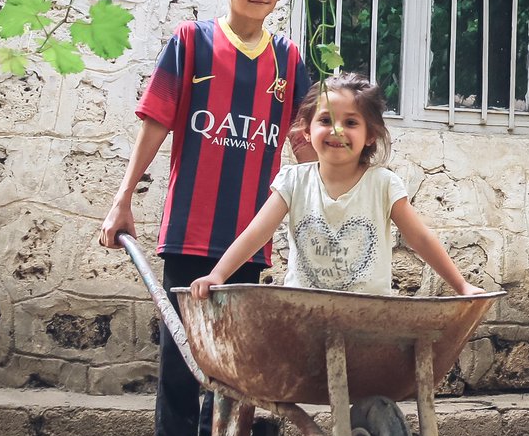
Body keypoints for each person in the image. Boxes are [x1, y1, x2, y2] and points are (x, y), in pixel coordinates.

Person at [98, 0, 312, 436]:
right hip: (191, 228)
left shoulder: (291, 62)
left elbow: (303, 146)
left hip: (249, 238)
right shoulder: (190, 44)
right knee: (184, 355)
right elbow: (155, 123)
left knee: (236, 362)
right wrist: (123, 199)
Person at [190, 73, 484, 300]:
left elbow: (420, 238)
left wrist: (461, 285)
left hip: (367, 316)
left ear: (371, 135)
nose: (337, 130)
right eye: (326, 120)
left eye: (351, 122)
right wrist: (217, 275)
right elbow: (257, 232)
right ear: (307, 130)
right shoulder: (294, 181)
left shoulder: (382, 185)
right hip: (302, 311)